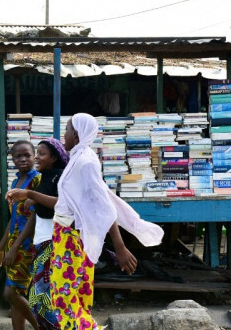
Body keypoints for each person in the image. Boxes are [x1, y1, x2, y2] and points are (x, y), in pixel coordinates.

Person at [51, 113, 164, 329]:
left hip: (72, 240)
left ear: (76, 135)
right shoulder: (79, 158)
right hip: (67, 237)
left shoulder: (85, 162)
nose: (63, 135)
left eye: (66, 130)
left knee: (65, 299)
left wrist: (120, 248)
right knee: (72, 298)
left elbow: (103, 207)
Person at [6, 138, 69, 330]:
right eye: (18, 156)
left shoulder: (50, 178)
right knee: (32, 296)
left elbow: (61, 204)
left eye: (39, 154)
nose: (33, 158)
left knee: (37, 298)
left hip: (46, 242)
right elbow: (15, 218)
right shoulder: (40, 178)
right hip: (37, 243)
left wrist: (32, 196)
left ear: (54, 157)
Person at [0, 141, 41, 330]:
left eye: (27, 155)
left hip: (27, 244)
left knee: (10, 293)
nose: (23, 159)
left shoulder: (37, 181)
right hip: (13, 243)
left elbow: (33, 218)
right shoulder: (14, 183)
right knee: (15, 298)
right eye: (18, 156)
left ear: (34, 155)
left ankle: (40, 326)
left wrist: (14, 248)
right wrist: (0, 248)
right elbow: (14, 219)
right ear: (12, 159)